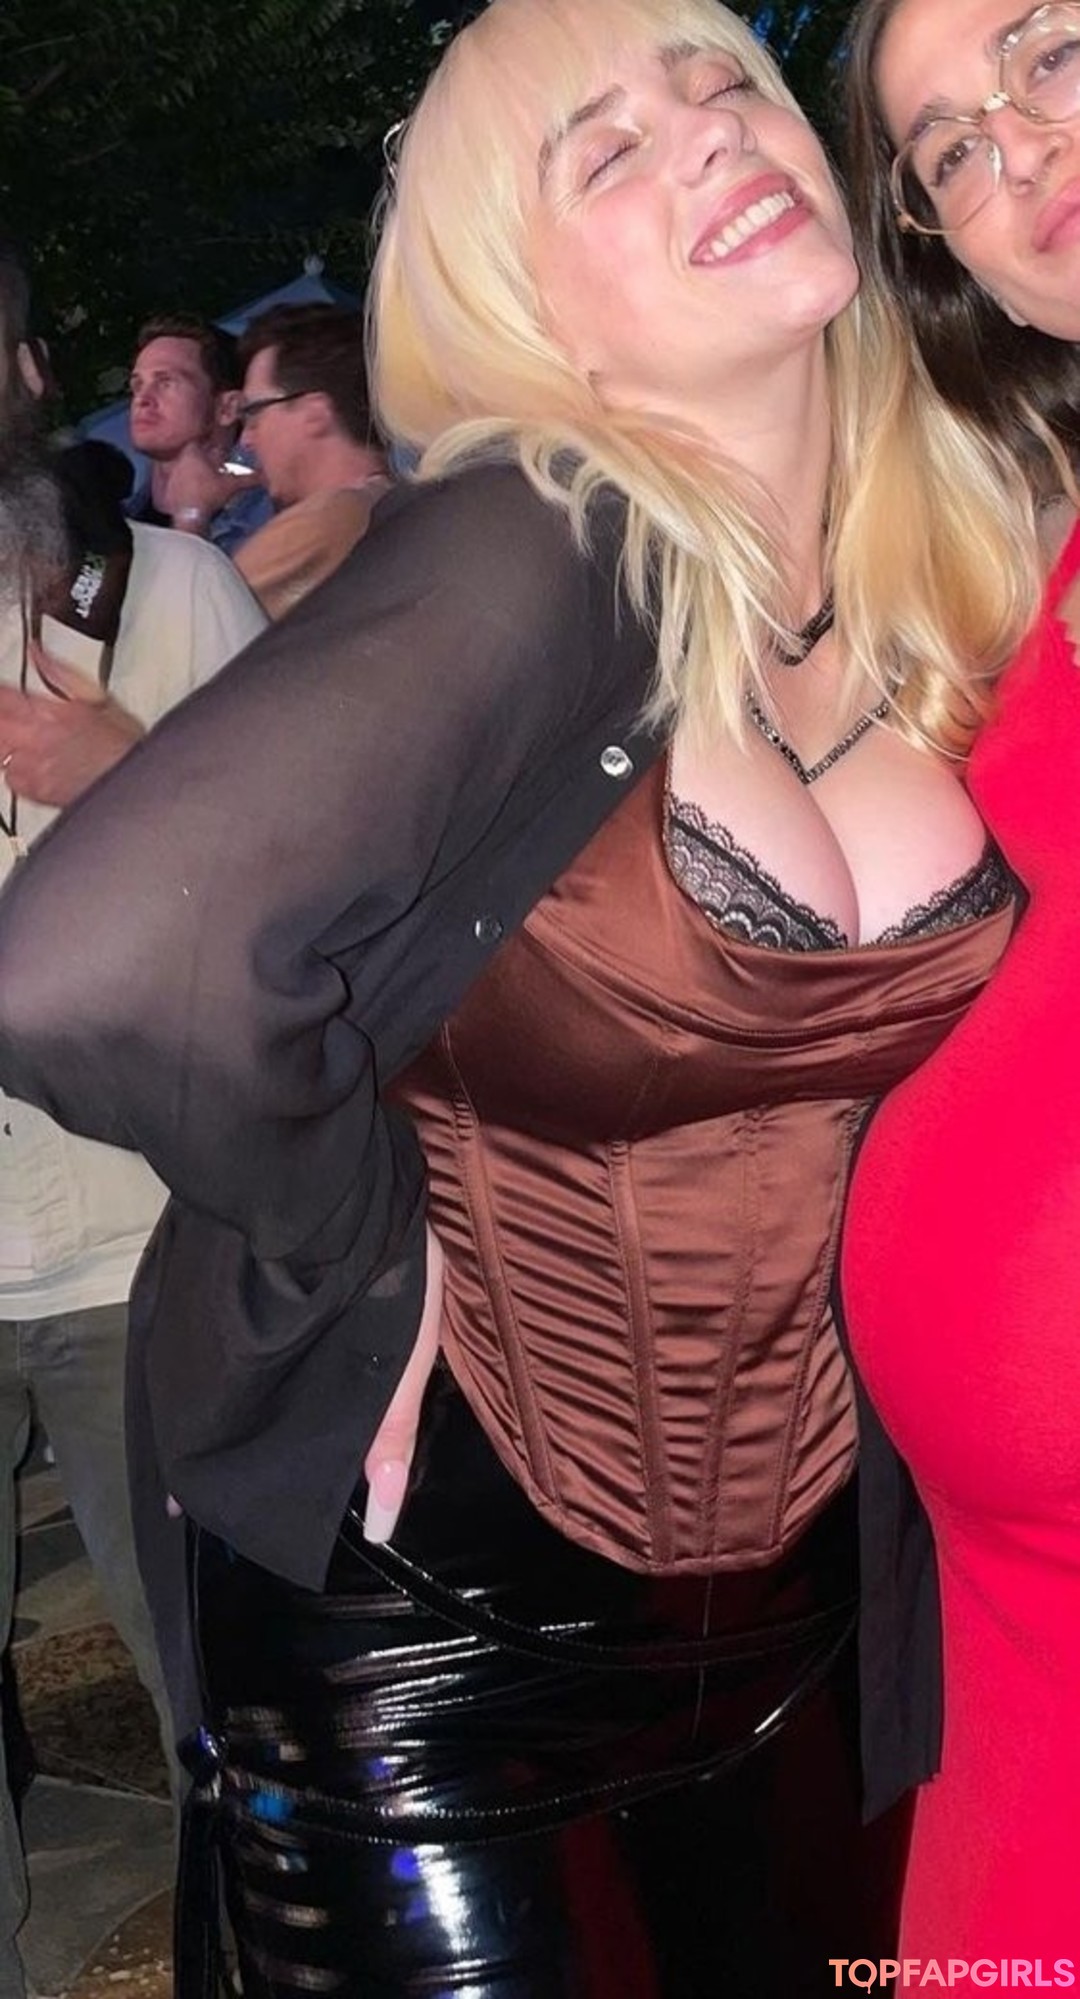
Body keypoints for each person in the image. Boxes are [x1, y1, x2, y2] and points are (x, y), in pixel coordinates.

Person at [0, 0, 1045, 1989]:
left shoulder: (932, 564)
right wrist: (351, 1233)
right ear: (525, 303)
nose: (708, 130)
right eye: (606, 151)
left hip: (828, 1645)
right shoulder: (543, 535)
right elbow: (98, 961)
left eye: (722, 81)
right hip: (447, 1654)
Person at [840, 0, 1080, 1972]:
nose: (1015, 150)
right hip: (1008, 1640)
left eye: (1050, 53)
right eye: (946, 149)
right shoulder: (1036, 556)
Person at [0, 253, 266, 1999]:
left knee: (209, 1693)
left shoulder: (167, 591)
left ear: (30, 368)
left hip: (134, 1246)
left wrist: (126, 769)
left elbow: (313, 887)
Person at [232, 303, 391, 619]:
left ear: (315, 413)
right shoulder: (396, 503)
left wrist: (189, 515)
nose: (246, 439)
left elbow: (191, 629)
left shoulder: (324, 521)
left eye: (254, 413)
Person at [128, 316, 273, 553]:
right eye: (137, 385)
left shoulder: (267, 517)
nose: (142, 399)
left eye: (166, 383)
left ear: (227, 408)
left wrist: (191, 518)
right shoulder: (115, 527)